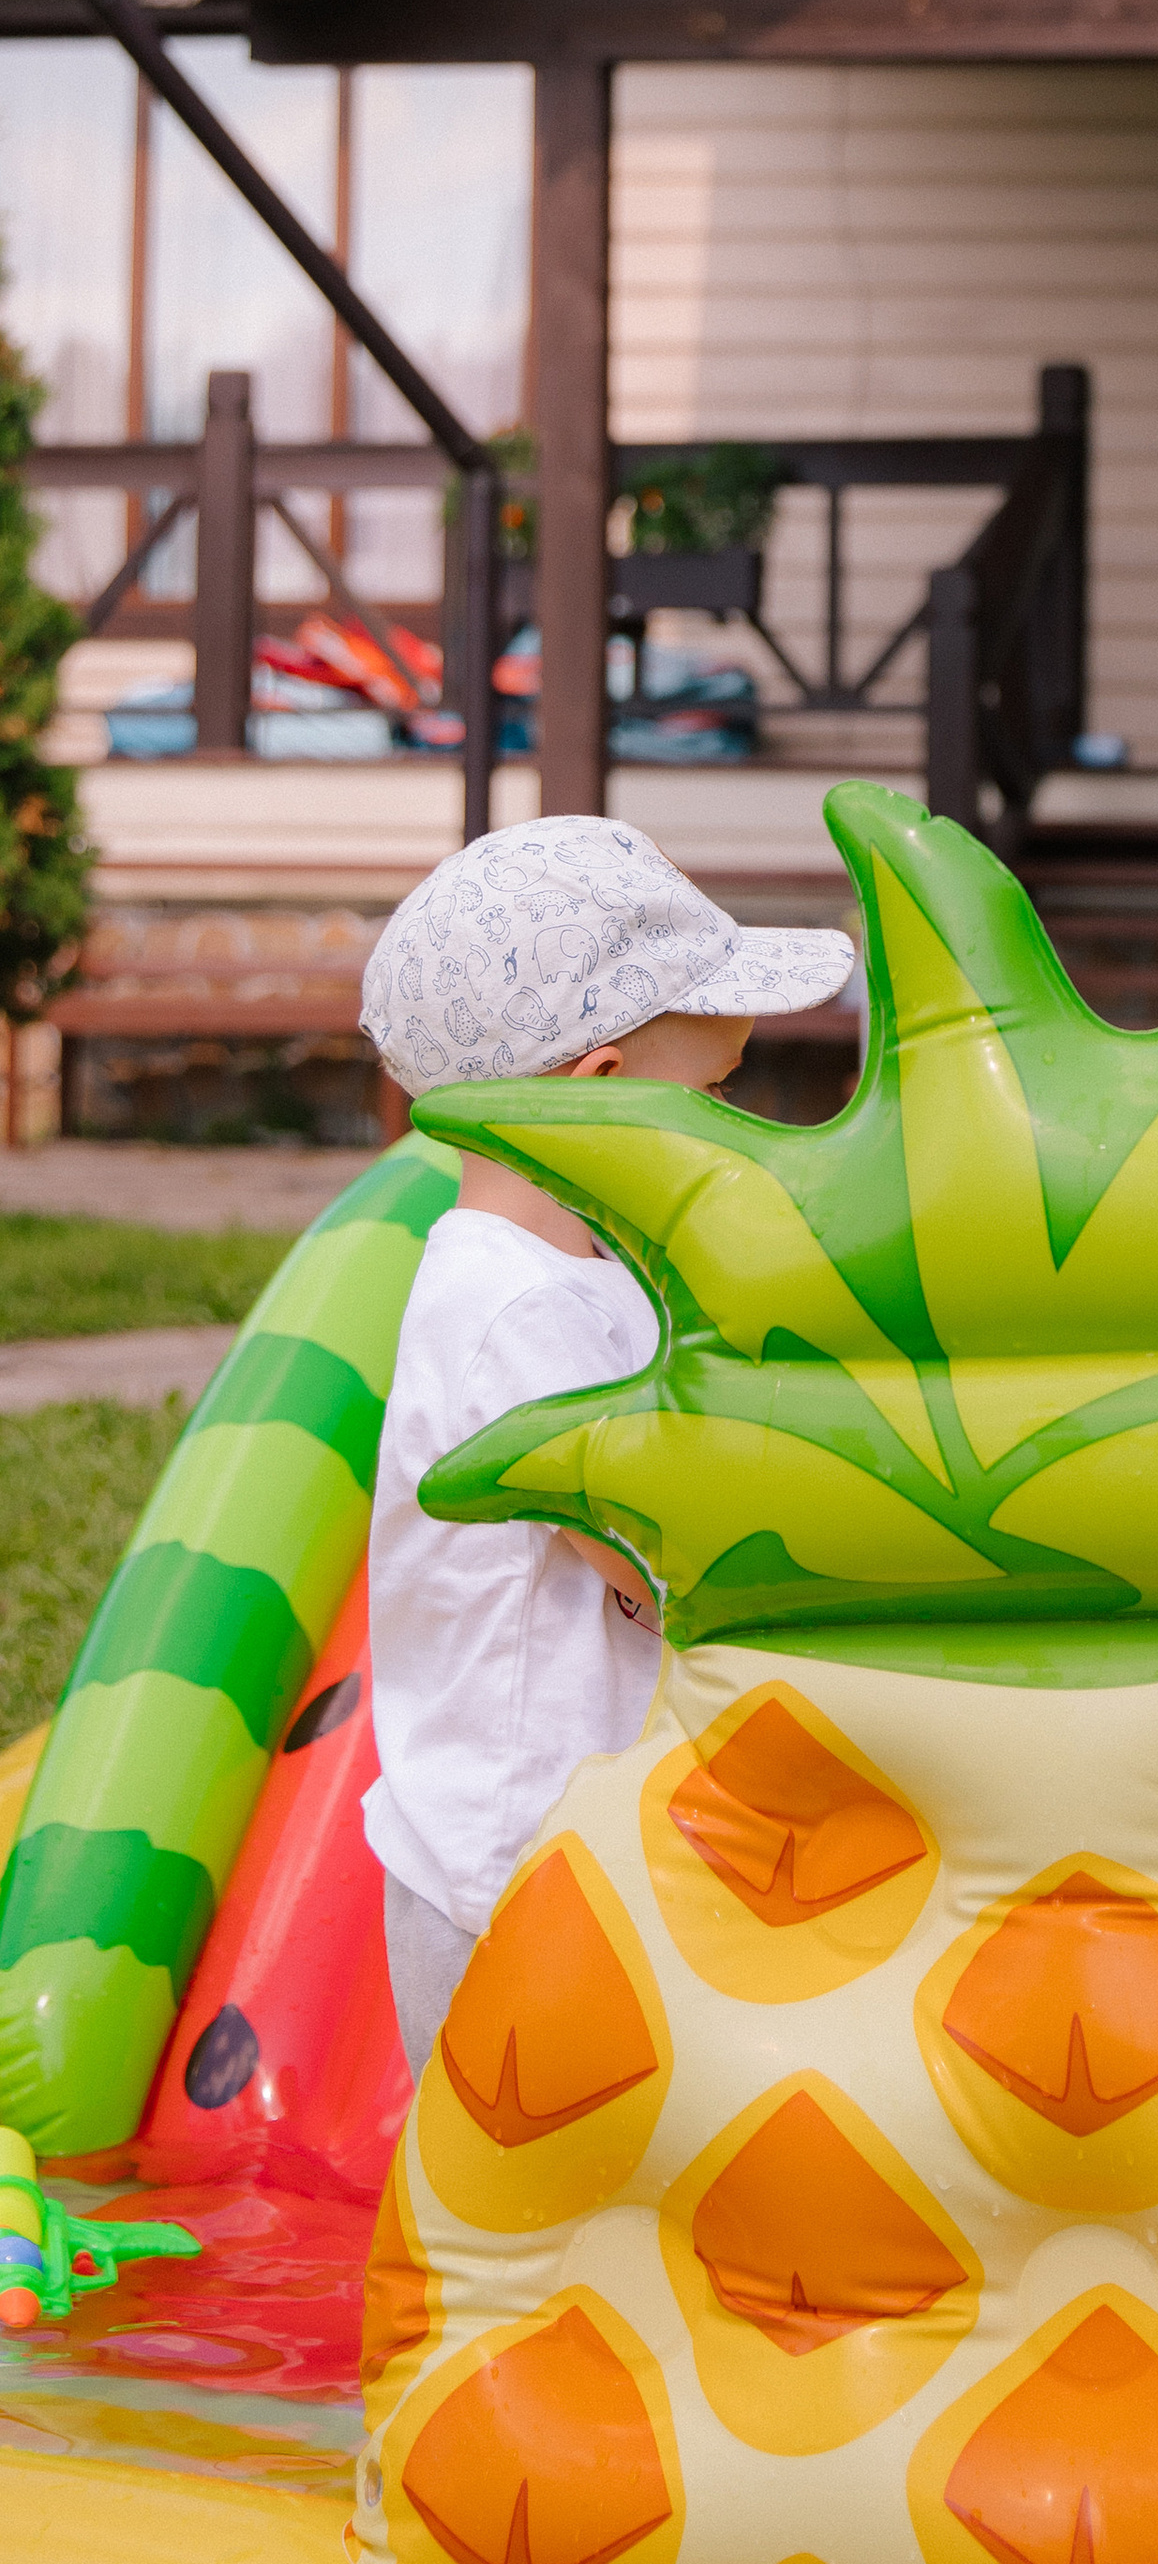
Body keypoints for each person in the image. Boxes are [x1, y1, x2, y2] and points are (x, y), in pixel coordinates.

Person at [357, 814, 859, 2078]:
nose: (731, 1129)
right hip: (514, 1872)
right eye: (715, 1096)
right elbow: (632, 1555)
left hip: (571, 1849)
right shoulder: (512, 1306)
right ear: (595, 1090)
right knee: (518, 2217)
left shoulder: (580, 1271)